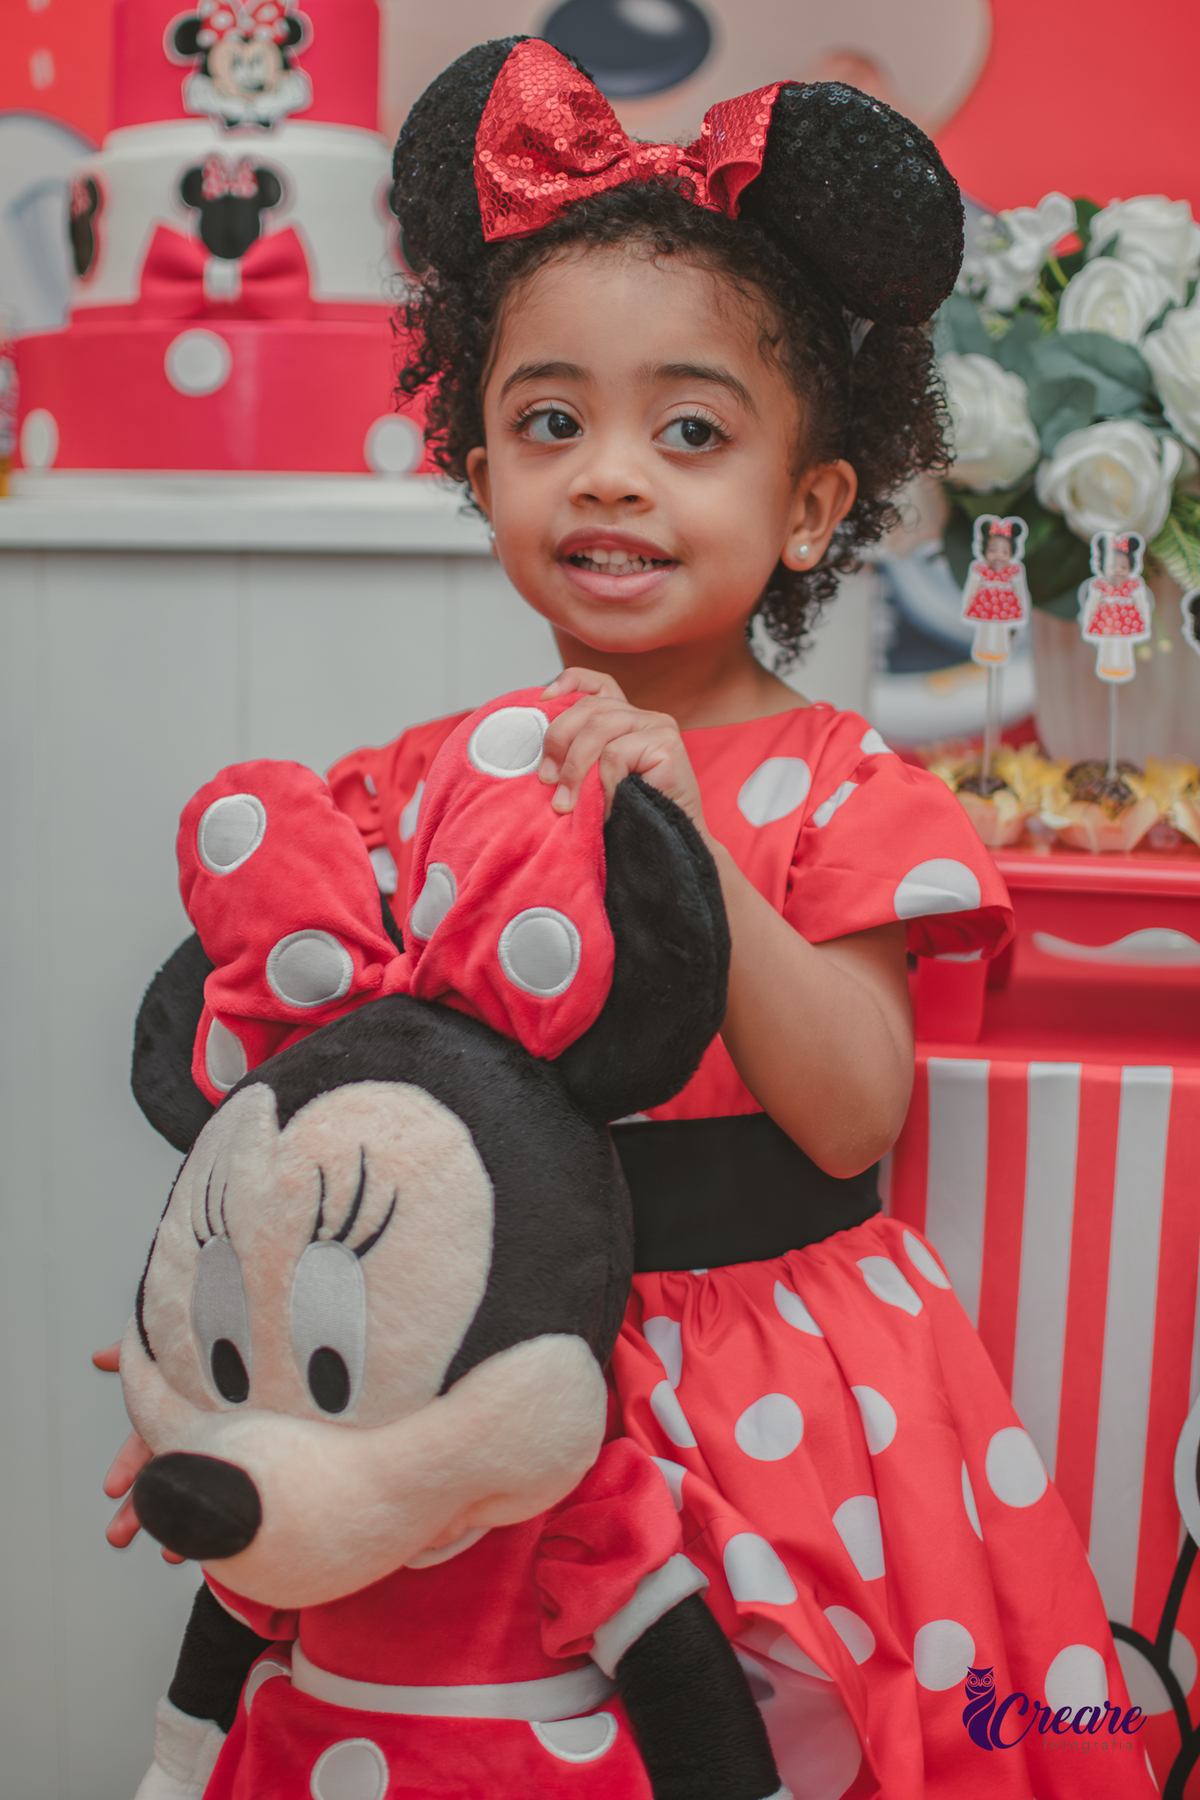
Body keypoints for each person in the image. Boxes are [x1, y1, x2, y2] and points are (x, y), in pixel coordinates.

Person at [104, 38, 1151, 1800]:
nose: (608, 476)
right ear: (476, 457)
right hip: (476, 1377)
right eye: (548, 423)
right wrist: (213, 1366)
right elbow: (317, 1120)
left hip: (774, 1397)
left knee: (797, 1738)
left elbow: (851, 1112)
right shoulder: (418, 786)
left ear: (816, 499)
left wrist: (680, 832)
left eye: (689, 430)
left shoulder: (840, 782)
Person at [1079, 532, 1152, 682]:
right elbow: (1092, 602)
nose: (1117, 570)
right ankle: (1106, 665)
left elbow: (1142, 602)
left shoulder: (1134, 584)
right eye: (1112, 566)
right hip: (1105, 619)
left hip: (1128, 619)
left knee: (1125, 642)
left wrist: (1145, 618)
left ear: (1130, 567)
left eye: (1123, 566)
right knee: (1107, 642)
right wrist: (1087, 619)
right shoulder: (1099, 584)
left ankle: (1125, 666)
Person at [959, 515, 1031, 666]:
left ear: (1012, 552)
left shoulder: (1014, 570)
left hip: (1005, 604)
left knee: (1000, 629)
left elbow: (1020, 590)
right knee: (984, 626)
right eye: (993, 549)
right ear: (984, 549)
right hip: (984, 602)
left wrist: (1023, 607)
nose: (999, 555)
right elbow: (972, 586)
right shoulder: (979, 568)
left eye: (1005, 551)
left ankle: (1000, 651)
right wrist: (967, 602)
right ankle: (982, 649)